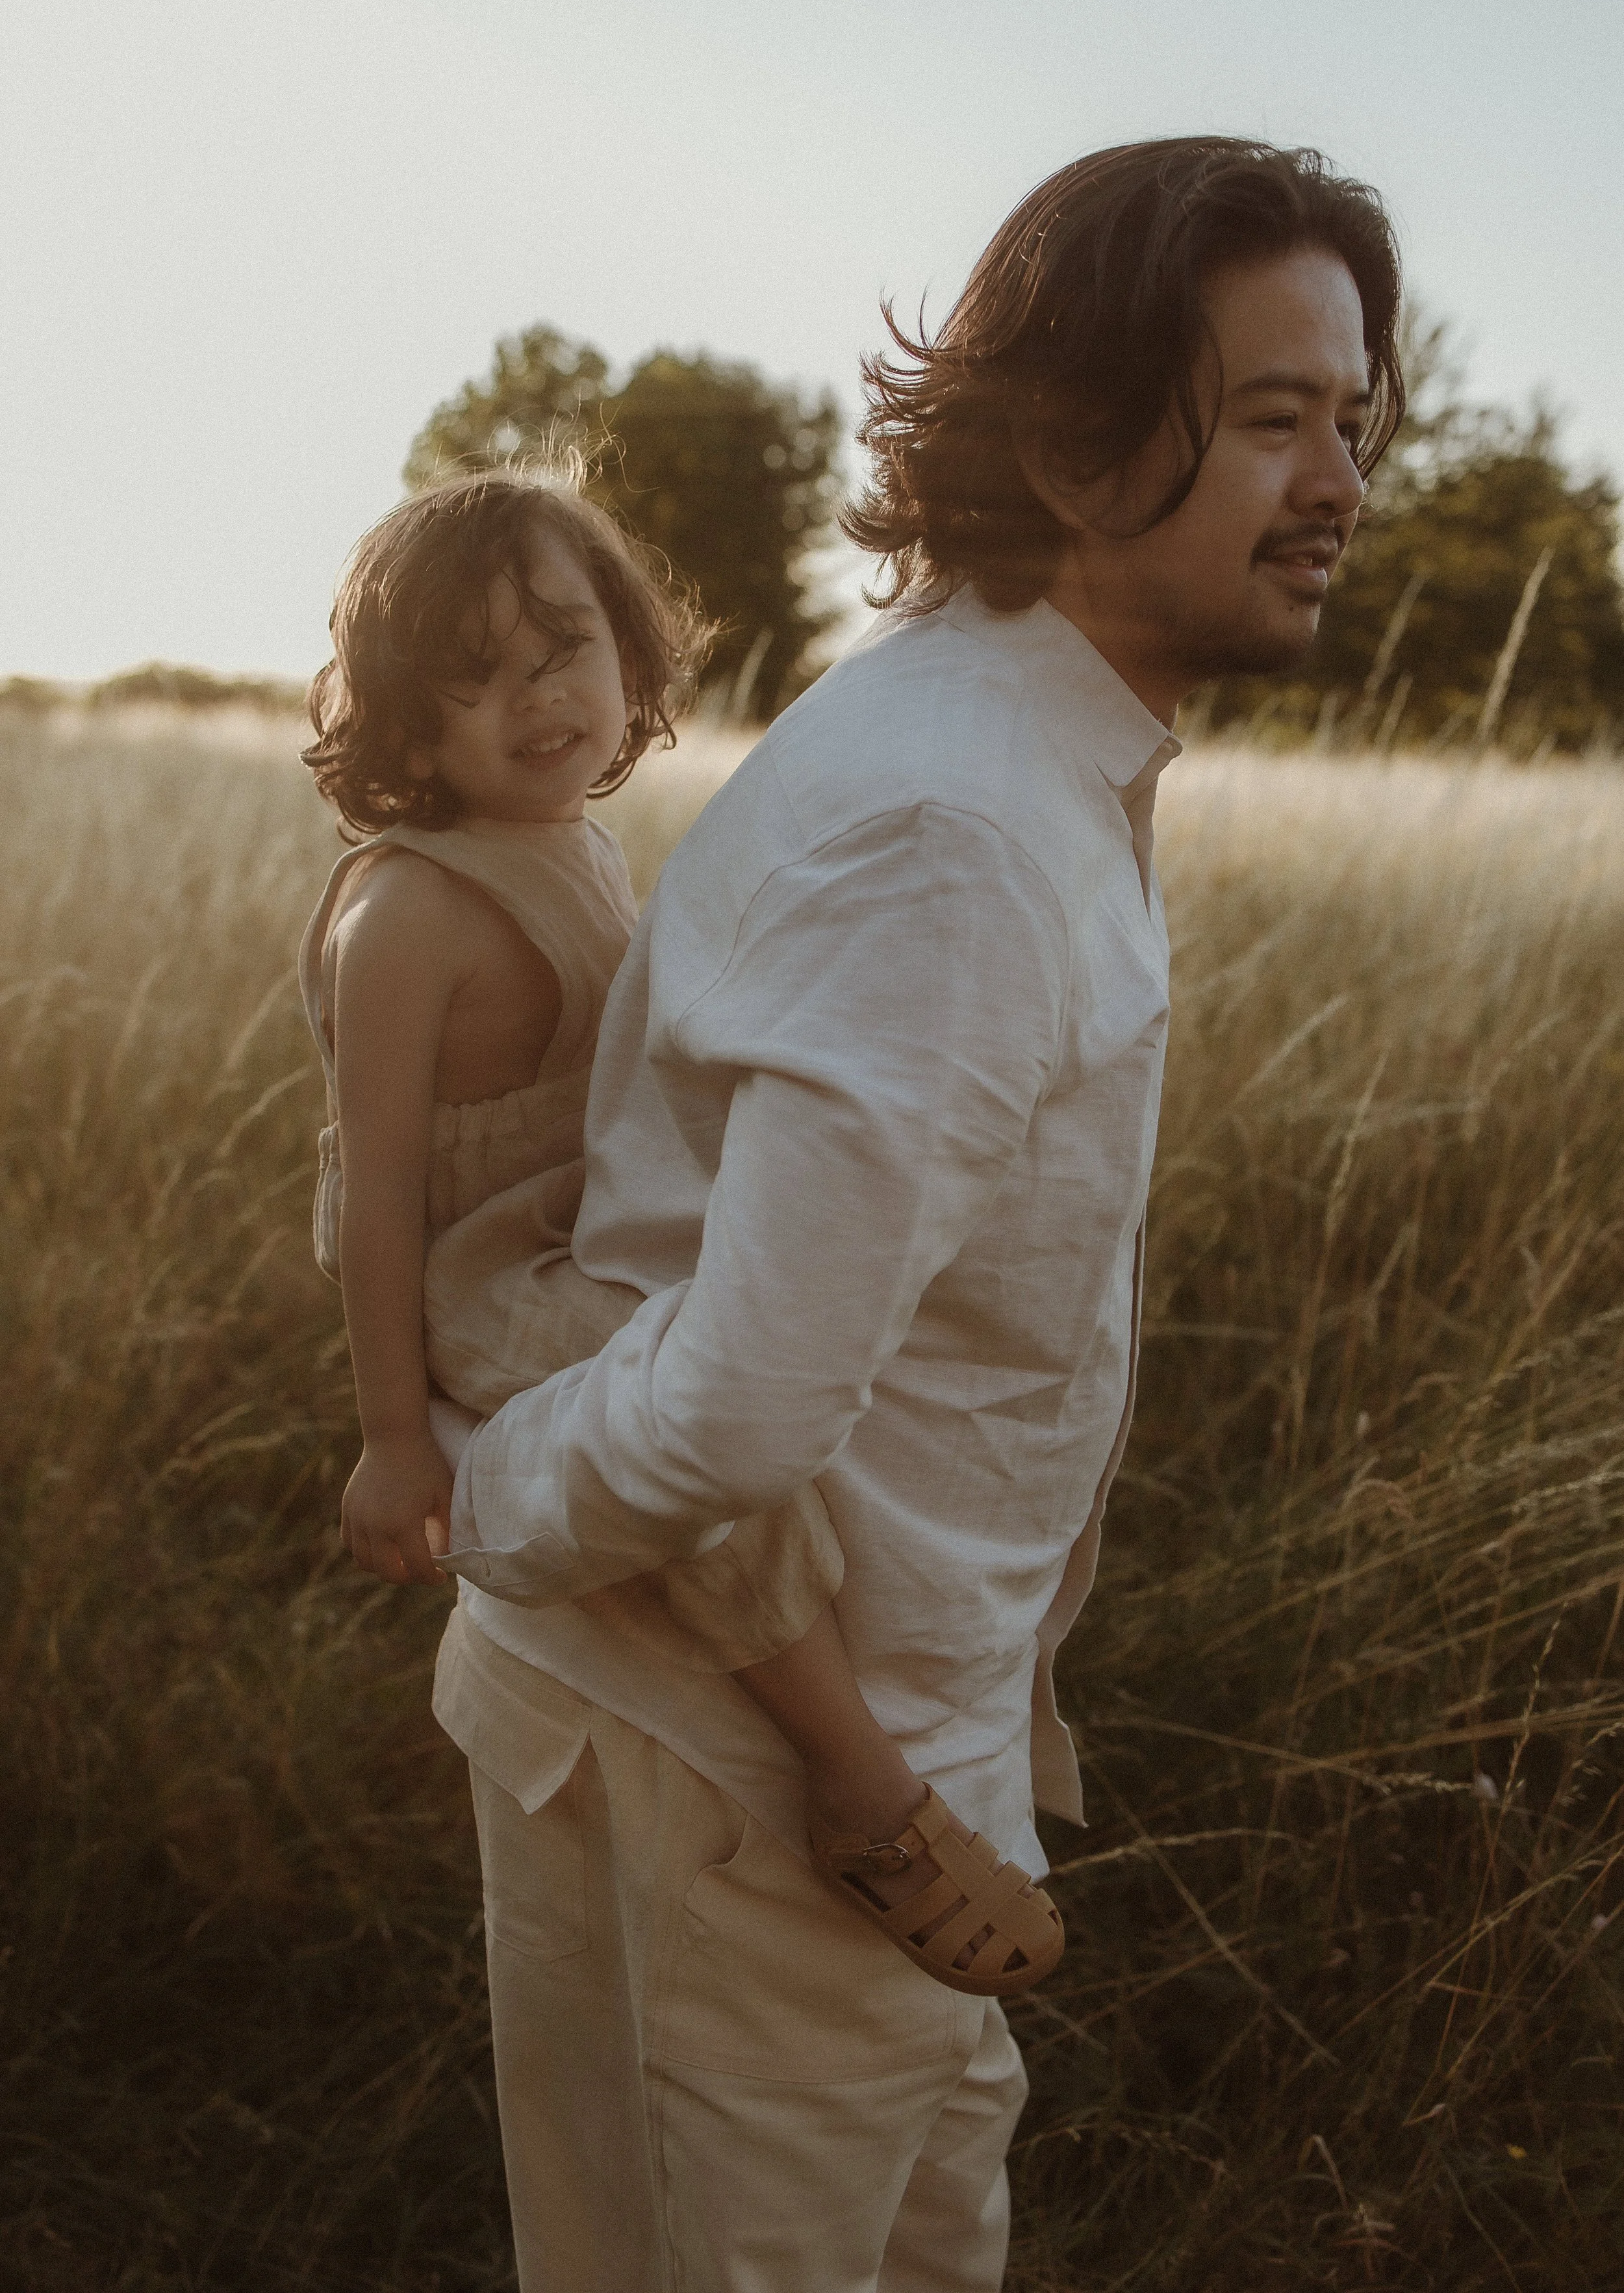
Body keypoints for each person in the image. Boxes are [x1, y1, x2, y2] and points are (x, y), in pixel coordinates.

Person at [430, 137, 1404, 2291]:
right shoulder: (956, 821)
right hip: (731, 1786)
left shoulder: (1018, 756)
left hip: (879, 1755)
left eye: (1352, 418)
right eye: (1272, 417)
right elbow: (740, 1410)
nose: (1341, 480)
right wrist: (486, 1498)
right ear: (1067, 446)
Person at [298, 468, 1064, 2001]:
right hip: (479, 1275)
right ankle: (855, 1780)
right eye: (473, 679)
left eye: (563, 649)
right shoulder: (408, 916)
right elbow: (375, 1195)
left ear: (626, 649)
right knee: (683, 1411)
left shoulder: (578, 840)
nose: (537, 700)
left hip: (590, 1214)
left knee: (805, 1321)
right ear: (405, 726)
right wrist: (391, 1438)